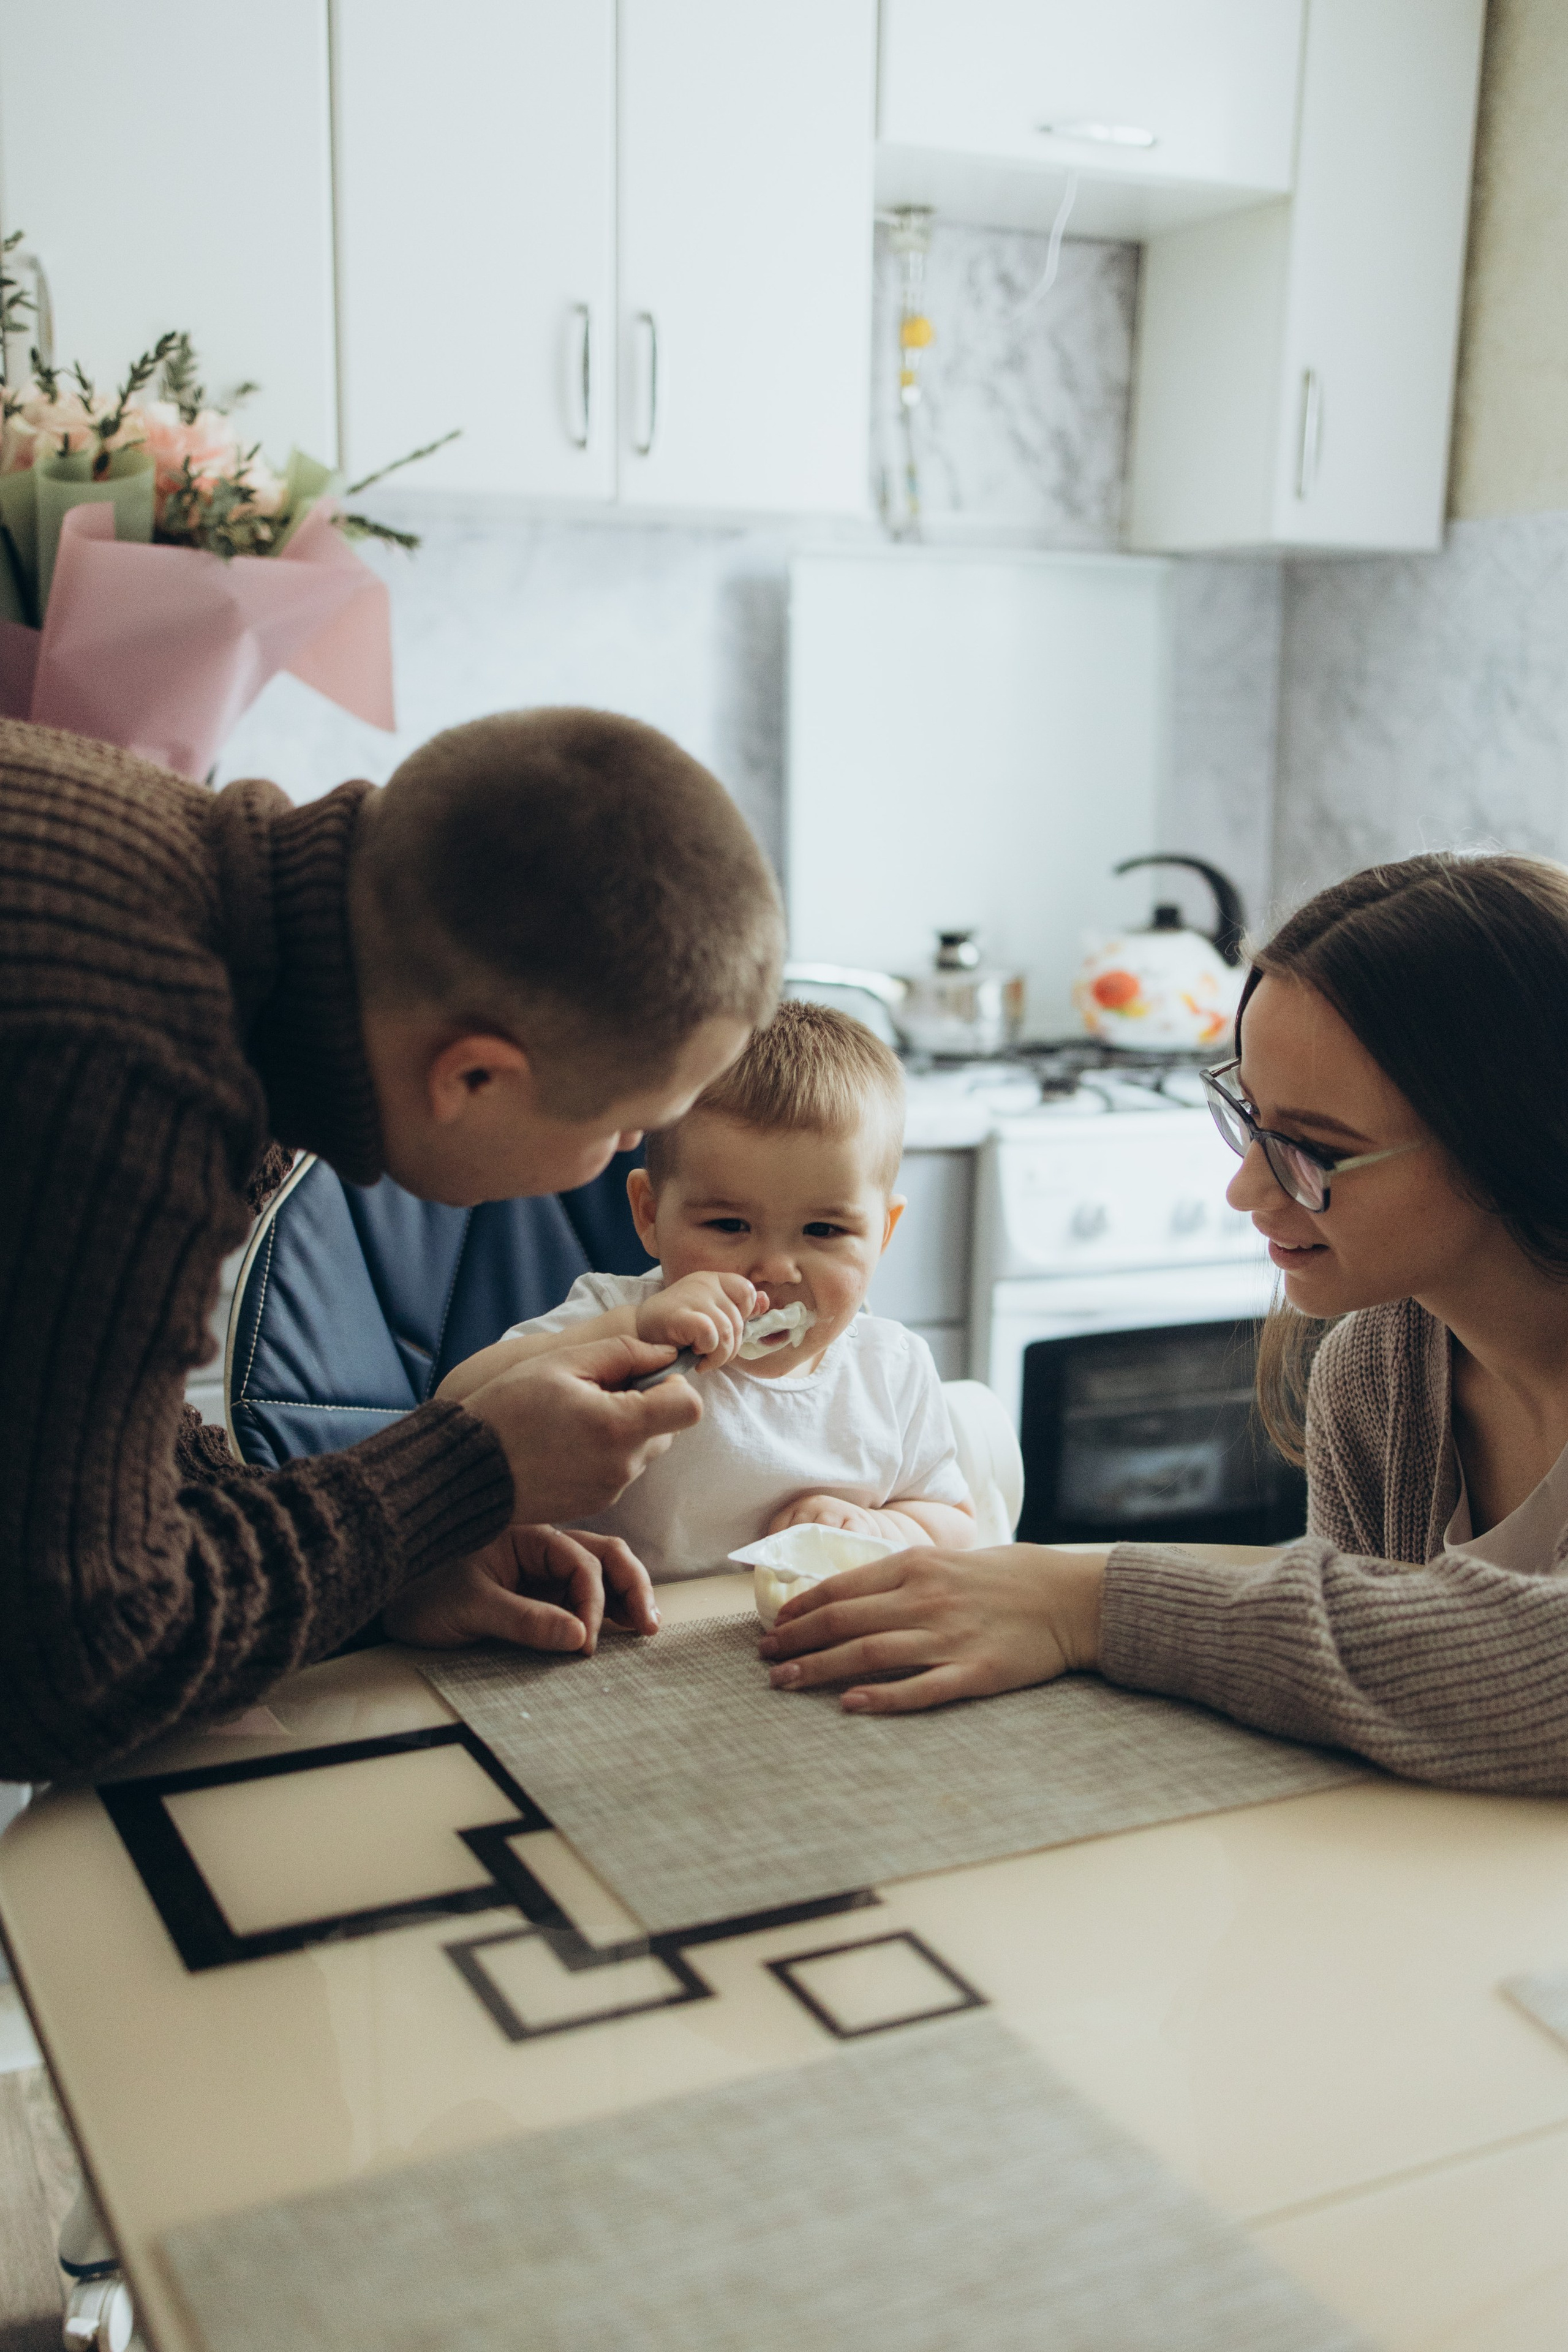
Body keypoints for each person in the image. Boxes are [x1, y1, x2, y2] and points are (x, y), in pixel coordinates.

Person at [0, 707, 783, 1781]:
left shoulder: (190, 891)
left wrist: (390, 1561)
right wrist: (468, 1472)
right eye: (623, 1127)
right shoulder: (139, 1073)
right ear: (471, 1077)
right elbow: (74, 1664)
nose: (630, 1152)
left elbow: (75, 1460)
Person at [758, 853, 1568, 1793]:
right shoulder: (1378, 1371)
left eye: (1313, 1151)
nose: (1247, 1189)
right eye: (1249, 1119)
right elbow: (1372, 1688)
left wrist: (1090, 1603)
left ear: (1518, 1140)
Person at [437, 1001, 975, 1583]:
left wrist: (878, 1530)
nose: (774, 1268)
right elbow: (454, 1408)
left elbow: (953, 1523)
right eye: (728, 1226)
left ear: (883, 1235)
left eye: (824, 1231)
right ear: (649, 1215)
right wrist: (629, 1334)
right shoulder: (618, 1319)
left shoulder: (890, 1370)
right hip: (625, 1646)